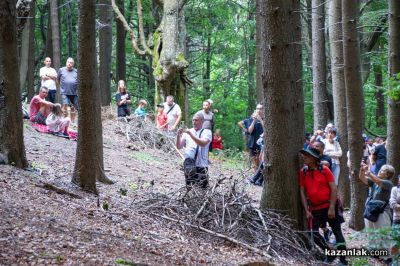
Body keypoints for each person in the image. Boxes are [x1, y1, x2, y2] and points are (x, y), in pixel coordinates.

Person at [299, 147, 347, 265]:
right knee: (313, 233)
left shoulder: (324, 169)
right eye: (304, 155)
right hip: (315, 208)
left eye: (307, 155)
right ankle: (330, 253)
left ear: (315, 159)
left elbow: (334, 188)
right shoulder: (303, 172)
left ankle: (343, 260)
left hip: (330, 206)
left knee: (337, 232)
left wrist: (331, 208)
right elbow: (302, 192)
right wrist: (306, 210)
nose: (304, 157)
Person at [359, 162, 394, 262]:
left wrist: (368, 172)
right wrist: (362, 170)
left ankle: (387, 257)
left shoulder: (388, 183)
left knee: (383, 233)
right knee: (371, 232)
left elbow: (378, 180)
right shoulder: (375, 182)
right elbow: (362, 179)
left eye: (382, 170)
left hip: (383, 212)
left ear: (387, 174)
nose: (379, 171)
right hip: (372, 210)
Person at [176, 112, 212, 188]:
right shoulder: (188, 132)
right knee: (190, 188)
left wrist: (190, 134)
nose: (194, 122)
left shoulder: (207, 132)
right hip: (189, 165)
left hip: (201, 165)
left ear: (202, 121)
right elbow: (179, 146)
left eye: (196, 120)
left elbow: (203, 143)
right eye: (193, 120)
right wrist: (178, 135)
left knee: (202, 189)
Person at [58, 57, 78, 122]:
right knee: (65, 105)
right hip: (64, 91)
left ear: (73, 64)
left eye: (71, 63)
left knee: (73, 106)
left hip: (74, 92)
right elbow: (58, 79)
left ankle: (72, 121)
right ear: (66, 62)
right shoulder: (61, 70)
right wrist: (61, 86)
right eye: (68, 62)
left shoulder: (76, 71)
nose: (69, 64)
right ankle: (65, 120)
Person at [247, 104, 264, 170]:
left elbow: (267, 129)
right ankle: (255, 179)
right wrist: (254, 120)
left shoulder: (266, 119)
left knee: (262, 162)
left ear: (263, 110)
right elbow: (250, 131)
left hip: (263, 144)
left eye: (260, 109)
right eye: (257, 108)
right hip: (253, 143)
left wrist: (260, 119)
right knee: (256, 163)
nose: (259, 110)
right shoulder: (251, 118)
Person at [389, 175, 400, 260]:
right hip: (397, 219)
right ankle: (394, 261)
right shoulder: (395, 189)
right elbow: (393, 204)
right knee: (395, 242)